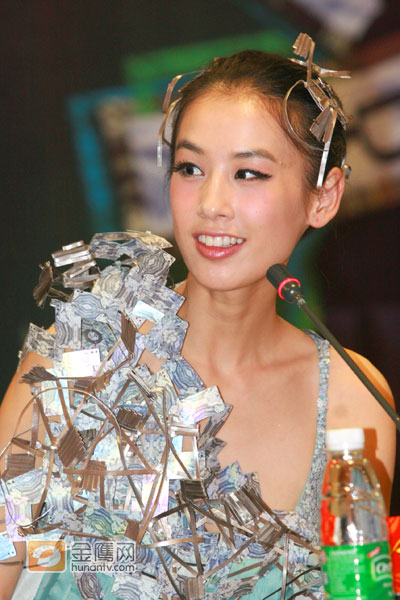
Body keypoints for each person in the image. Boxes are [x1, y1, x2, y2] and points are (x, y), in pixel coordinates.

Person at [0, 34, 396, 600]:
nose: (211, 204)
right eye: (190, 168)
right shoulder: (84, 353)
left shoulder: (351, 401)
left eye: (248, 173)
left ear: (323, 197)